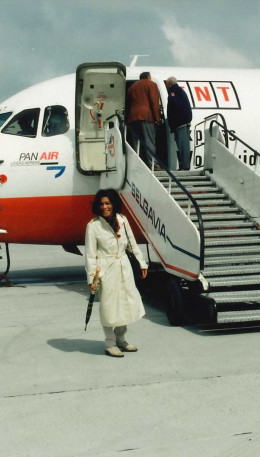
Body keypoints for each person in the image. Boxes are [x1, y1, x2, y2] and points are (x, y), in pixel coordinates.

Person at [85, 189, 148, 357]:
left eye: (108, 203)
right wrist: (92, 278)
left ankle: (121, 339)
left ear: (114, 204)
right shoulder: (93, 226)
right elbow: (90, 255)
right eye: (102, 204)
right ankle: (109, 343)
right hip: (106, 270)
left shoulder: (123, 220)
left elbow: (132, 244)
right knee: (109, 307)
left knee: (126, 304)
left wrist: (142, 262)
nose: (105, 207)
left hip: (124, 267)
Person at [126, 72, 161, 165]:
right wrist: (157, 118)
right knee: (149, 142)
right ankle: (153, 164)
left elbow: (128, 103)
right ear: (149, 77)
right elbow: (154, 103)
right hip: (146, 116)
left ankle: (138, 164)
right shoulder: (151, 84)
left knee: (136, 143)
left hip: (133, 117)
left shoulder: (132, 87)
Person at [165, 77, 193, 170]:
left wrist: (174, 119)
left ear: (169, 84)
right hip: (183, 122)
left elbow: (176, 104)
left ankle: (184, 166)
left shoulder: (174, 91)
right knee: (182, 145)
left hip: (180, 123)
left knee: (182, 145)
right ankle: (183, 165)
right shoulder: (180, 91)